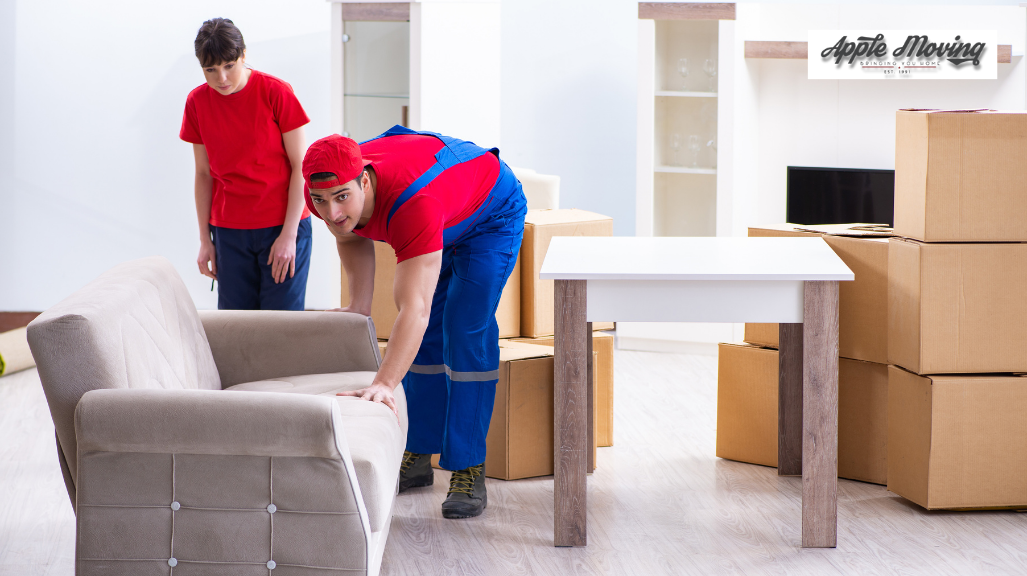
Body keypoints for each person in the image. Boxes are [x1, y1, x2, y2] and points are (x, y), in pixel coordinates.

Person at [302, 126, 526, 519]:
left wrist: (383, 384)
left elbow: (414, 310)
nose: (332, 212)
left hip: (489, 213)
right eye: (321, 201)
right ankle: (419, 453)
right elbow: (349, 233)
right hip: (443, 210)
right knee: (424, 342)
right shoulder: (323, 189)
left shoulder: (411, 203)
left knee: (464, 328)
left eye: (342, 198)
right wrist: (359, 304)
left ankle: (468, 466)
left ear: (365, 181)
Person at [180, 18, 312, 310]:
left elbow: (300, 165)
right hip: (229, 231)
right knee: (237, 329)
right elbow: (203, 174)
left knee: (282, 328)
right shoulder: (197, 102)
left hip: (282, 224)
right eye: (210, 70)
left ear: (243, 56)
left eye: (229, 66)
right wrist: (205, 240)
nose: (221, 79)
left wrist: (289, 236)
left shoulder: (276, 92)